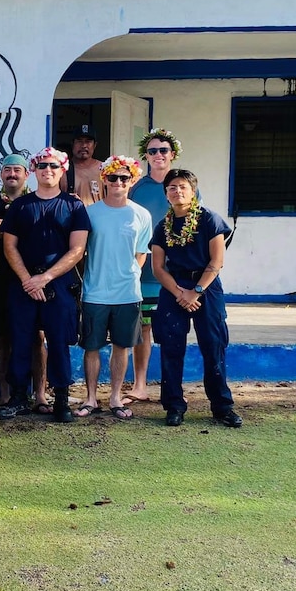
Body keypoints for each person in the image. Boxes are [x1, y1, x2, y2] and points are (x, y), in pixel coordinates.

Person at [0, 147, 91, 423]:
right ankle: (18, 398)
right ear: (34, 171)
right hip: (23, 285)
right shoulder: (20, 206)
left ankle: (60, 398)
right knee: (21, 340)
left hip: (59, 285)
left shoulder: (74, 206)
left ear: (62, 170)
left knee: (59, 342)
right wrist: (28, 279)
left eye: (53, 166)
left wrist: (45, 277)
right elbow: (9, 245)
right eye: (41, 166)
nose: (47, 170)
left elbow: (78, 249)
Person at [149, 168, 242, 428]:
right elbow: (158, 267)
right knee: (171, 347)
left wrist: (196, 291)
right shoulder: (162, 227)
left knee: (214, 347)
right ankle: (174, 405)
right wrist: (180, 292)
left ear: (193, 191)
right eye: (172, 188)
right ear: (166, 194)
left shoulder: (210, 219)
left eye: (182, 187)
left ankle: (222, 406)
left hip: (206, 287)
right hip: (174, 288)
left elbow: (217, 260)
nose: (177, 191)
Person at [77, 156, 152, 421]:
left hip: (128, 293)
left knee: (122, 347)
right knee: (92, 347)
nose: (118, 182)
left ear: (132, 181)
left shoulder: (141, 215)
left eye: (124, 178)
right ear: (104, 180)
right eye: (113, 177)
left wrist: (129, 273)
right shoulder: (90, 213)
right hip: (95, 291)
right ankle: (90, 398)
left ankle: (116, 397)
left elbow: (141, 253)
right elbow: (80, 250)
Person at [0, 153, 49, 413]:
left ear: (26, 175)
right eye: (7, 170)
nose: (12, 175)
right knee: (4, 338)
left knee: (37, 337)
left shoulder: (36, 200)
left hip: (33, 280)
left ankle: (40, 395)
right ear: (1, 175)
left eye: (17, 170)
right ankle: (6, 394)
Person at [128, 127, 184, 403]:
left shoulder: (182, 184)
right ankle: (139, 384)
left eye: (163, 150)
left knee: (172, 328)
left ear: (172, 154)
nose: (158, 155)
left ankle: (172, 387)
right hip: (144, 271)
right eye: (152, 151)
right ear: (146, 156)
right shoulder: (137, 187)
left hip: (176, 271)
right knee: (144, 328)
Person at [60, 124, 103, 205]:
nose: (83, 145)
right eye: (79, 141)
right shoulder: (62, 169)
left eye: (88, 141)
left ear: (95, 145)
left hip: (96, 217)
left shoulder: (104, 169)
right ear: (72, 144)